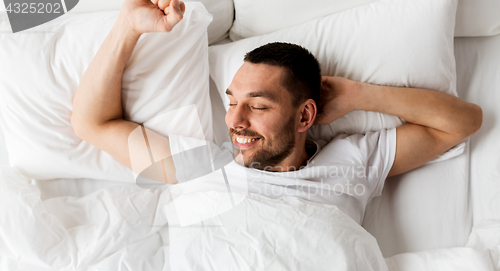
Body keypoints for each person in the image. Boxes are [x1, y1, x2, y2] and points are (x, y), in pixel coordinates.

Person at [71, 0, 482, 225]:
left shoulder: (351, 163)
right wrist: (127, 26)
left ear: (305, 117)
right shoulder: (201, 168)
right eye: (232, 102)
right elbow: (92, 122)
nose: (234, 121)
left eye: (257, 105)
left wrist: (358, 95)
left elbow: (462, 122)